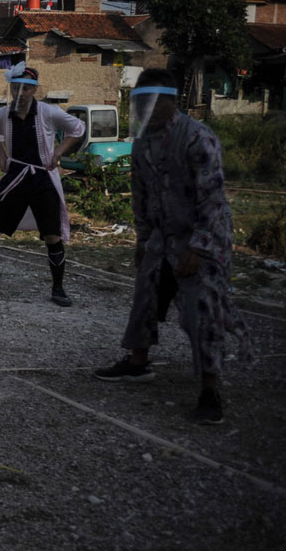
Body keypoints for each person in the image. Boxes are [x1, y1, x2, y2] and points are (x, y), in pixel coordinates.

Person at [94, 68, 253, 425]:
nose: (145, 109)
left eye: (150, 102)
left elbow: (213, 199)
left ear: (169, 101)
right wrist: (142, 238)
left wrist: (199, 248)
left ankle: (210, 388)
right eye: (139, 103)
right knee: (146, 295)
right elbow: (140, 196)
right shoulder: (142, 143)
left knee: (202, 312)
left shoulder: (199, 138)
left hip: (204, 238)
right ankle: (137, 363)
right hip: (161, 237)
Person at [0, 63, 85, 306]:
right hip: (15, 176)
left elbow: (77, 128)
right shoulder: (2, 115)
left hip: (42, 178)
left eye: (26, 89)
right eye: (17, 88)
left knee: (52, 235)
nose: (21, 93)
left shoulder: (48, 112)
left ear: (33, 90)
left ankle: (58, 288)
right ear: (12, 89)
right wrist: (2, 157)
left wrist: (59, 152)